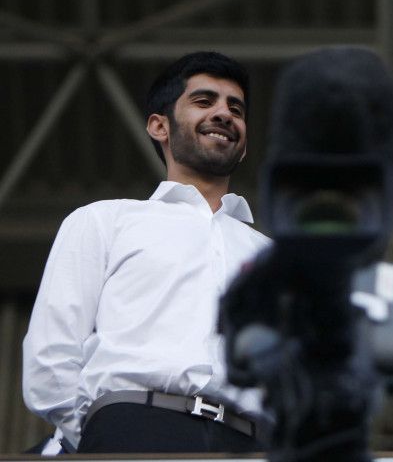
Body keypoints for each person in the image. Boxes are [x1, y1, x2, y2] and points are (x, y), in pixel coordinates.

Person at [22, 52, 272, 454]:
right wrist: (99, 439)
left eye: (236, 108)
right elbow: (52, 357)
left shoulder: (273, 257)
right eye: (205, 102)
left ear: (242, 147)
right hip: (134, 429)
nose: (225, 114)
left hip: (255, 443)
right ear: (160, 126)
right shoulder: (104, 221)